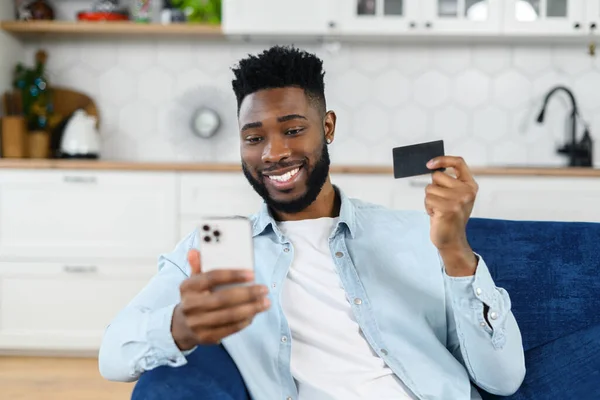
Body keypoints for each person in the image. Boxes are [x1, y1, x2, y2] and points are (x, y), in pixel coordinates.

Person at [98, 45, 526, 399]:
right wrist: (180, 326)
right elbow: (112, 355)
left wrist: (456, 252)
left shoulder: (417, 233)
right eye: (254, 138)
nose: (273, 153)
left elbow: (503, 379)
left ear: (328, 127)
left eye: (292, 130)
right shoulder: (217, 247)